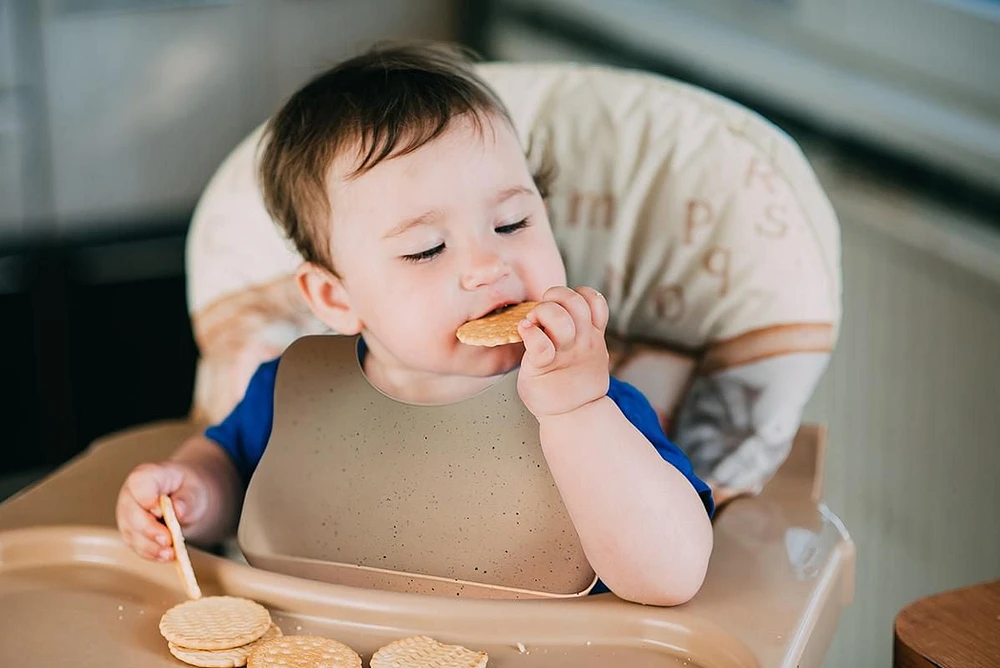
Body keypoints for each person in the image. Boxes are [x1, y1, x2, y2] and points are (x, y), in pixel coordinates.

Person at [115, 42, 714, 606]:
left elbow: (671, 576)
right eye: (427, 249)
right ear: (334, 295)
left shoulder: (597, 406)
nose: (487, 266)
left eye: (512, 224)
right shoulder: (294, 392)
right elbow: (235, 474)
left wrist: (576, 412)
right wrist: (191, 495)